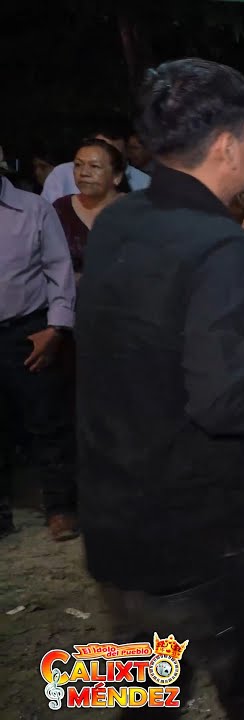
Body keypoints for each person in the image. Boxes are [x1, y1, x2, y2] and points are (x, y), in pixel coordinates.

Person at [76, 57, 244, 718]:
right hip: (198, 540)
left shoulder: (117, 220)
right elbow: (226, 400)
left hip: (112, 526)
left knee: (142, 699)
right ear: (226, 146)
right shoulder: (218, 245)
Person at [0, 156, 76, 542]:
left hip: (28, 331)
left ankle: (60, 507)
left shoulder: (33, 209)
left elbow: (59, 270)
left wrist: (55, 328)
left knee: (47, 422)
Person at [51, 138, 130, 277]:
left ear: (117, 176)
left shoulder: (135, 210)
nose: (84, 173)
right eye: (78, 165)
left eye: (94, 166)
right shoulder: (61, 209)